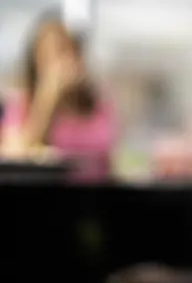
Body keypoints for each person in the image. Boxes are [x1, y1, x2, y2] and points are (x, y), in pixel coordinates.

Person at [0, 11, 117, 182]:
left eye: (63, 51)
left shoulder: (98, 104)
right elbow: (17, 156)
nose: (58, 64)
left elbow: (105, 156)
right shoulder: (22, 103)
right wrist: (47, 99)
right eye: (48, 55)